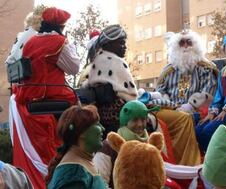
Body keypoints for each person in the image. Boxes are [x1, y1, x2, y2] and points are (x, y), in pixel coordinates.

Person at [9, 7, 80, 189]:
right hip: (53, 95)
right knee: (82, 108)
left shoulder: (31, 42)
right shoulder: (59, 42)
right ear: (60, 26)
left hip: (29, 97)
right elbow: (74, 68)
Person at [155, 30, 218, 165]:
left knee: (184, 118)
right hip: (170, 108)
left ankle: (185, 164)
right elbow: (160, 90)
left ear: (196, 45)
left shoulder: (205, 67)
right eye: (181, 43)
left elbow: (208, 90)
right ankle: (164, 160)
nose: (185, 46)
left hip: (195, 111)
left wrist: (190, 105)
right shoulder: (168, 69)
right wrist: (168, 103)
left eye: (189, 42)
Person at [84, 24, 137, 137]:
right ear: (109, 44)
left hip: (102, 115)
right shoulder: (117, 62)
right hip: (120, 114)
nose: (125, 47)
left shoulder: (97, 60)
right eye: (121, 43)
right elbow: (132, 96)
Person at [93, 100, 158, 188]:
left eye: (143, 120)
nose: (140, 124)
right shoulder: (109, 146)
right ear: (125, 122)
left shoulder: (149, 144)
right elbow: (100, 183)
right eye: (135, 120)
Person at [46, 105, 106, 189]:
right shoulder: (72, 174)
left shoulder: (81, 164)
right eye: (97, 124)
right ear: (82, 132)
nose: (103, 128)